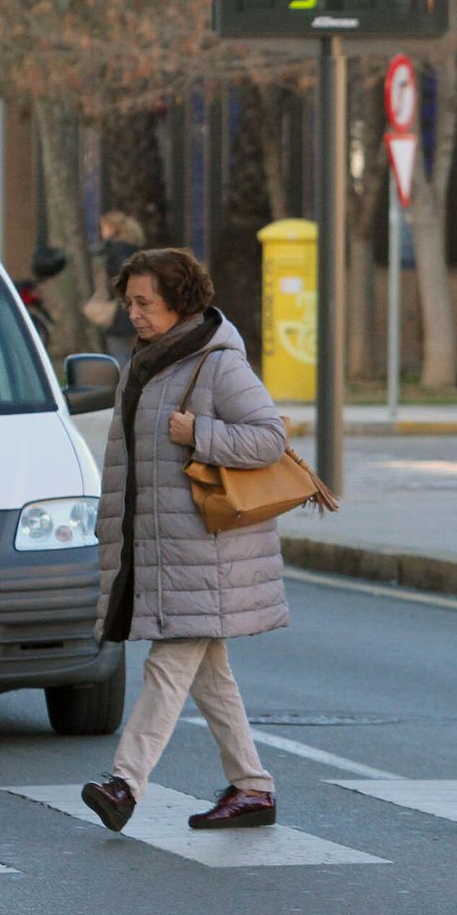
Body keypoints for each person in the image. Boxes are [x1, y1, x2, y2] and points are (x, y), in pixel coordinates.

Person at [80, 247, 288, 833]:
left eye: (144, 302)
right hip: (165, 550)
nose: (135, 314)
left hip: (206, 552)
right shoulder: (147, 363)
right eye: (130, 303)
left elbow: (270, 438)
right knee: (207, 673)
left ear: (179, 301)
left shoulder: (217, 364)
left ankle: (125, 782)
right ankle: (252, 787)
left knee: (170, 664)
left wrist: (201, 432)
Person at [95, 210, 146, 367]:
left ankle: (126, 386)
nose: (102, 232)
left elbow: (121, 278)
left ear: (112, 228)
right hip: (134, 308)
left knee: (119, 352)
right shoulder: (132, 249)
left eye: (103, 227)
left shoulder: (116, 250)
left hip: (120, 310)